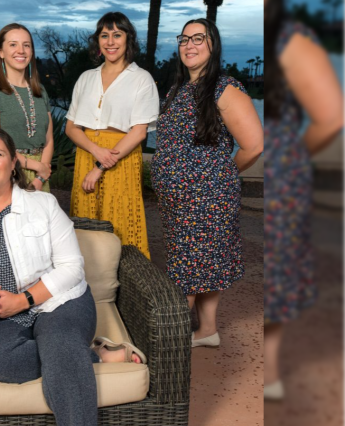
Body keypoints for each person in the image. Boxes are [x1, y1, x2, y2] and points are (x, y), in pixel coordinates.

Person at [0, 126, 145, 426]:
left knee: (59, 342)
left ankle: (69, 356)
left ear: (13, 162)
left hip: (59, 300)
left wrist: (24, 299)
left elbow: (71, 268)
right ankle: (95, 356)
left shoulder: (43, 205)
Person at [150, 18, 263, 349]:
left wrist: (219, 174)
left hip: (206, 199)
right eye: (184, 39)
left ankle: (171, 345)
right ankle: (207, 329)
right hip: (180, 201)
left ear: (212, 45)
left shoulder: (224, 87)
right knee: (202, 264)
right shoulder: (178, 89)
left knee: (188, 268)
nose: (189, 45)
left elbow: (254, 145)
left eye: (198, 38)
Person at [263, 0, 345, 400]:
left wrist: (291, 155)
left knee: (279, 271)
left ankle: (271, 372)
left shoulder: (292, 38)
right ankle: (270, 374)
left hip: (284, 175)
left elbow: (332, 115)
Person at [65, 12, 159, 259]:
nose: (110, 41)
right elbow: (71, 128)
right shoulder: (86, 78)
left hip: (120, 159)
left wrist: (100, 165)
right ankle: (87, 288)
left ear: (129, 39)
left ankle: (128, 289)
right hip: (87, 156)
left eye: (117, 35)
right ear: (97, 42)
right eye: (104, 35)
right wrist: (95, 152)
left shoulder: (142, 79)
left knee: (119, 225)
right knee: (85, 228)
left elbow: (139, 133)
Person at [0, 23, 53, 192]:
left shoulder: (40, 91)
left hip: (42, 175)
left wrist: (40, 176)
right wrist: (35, 166)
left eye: (26, 45)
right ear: (1, 52)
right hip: (7, 172)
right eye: (13, 44)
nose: (21, 50)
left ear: (31, 52)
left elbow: (49, 140)